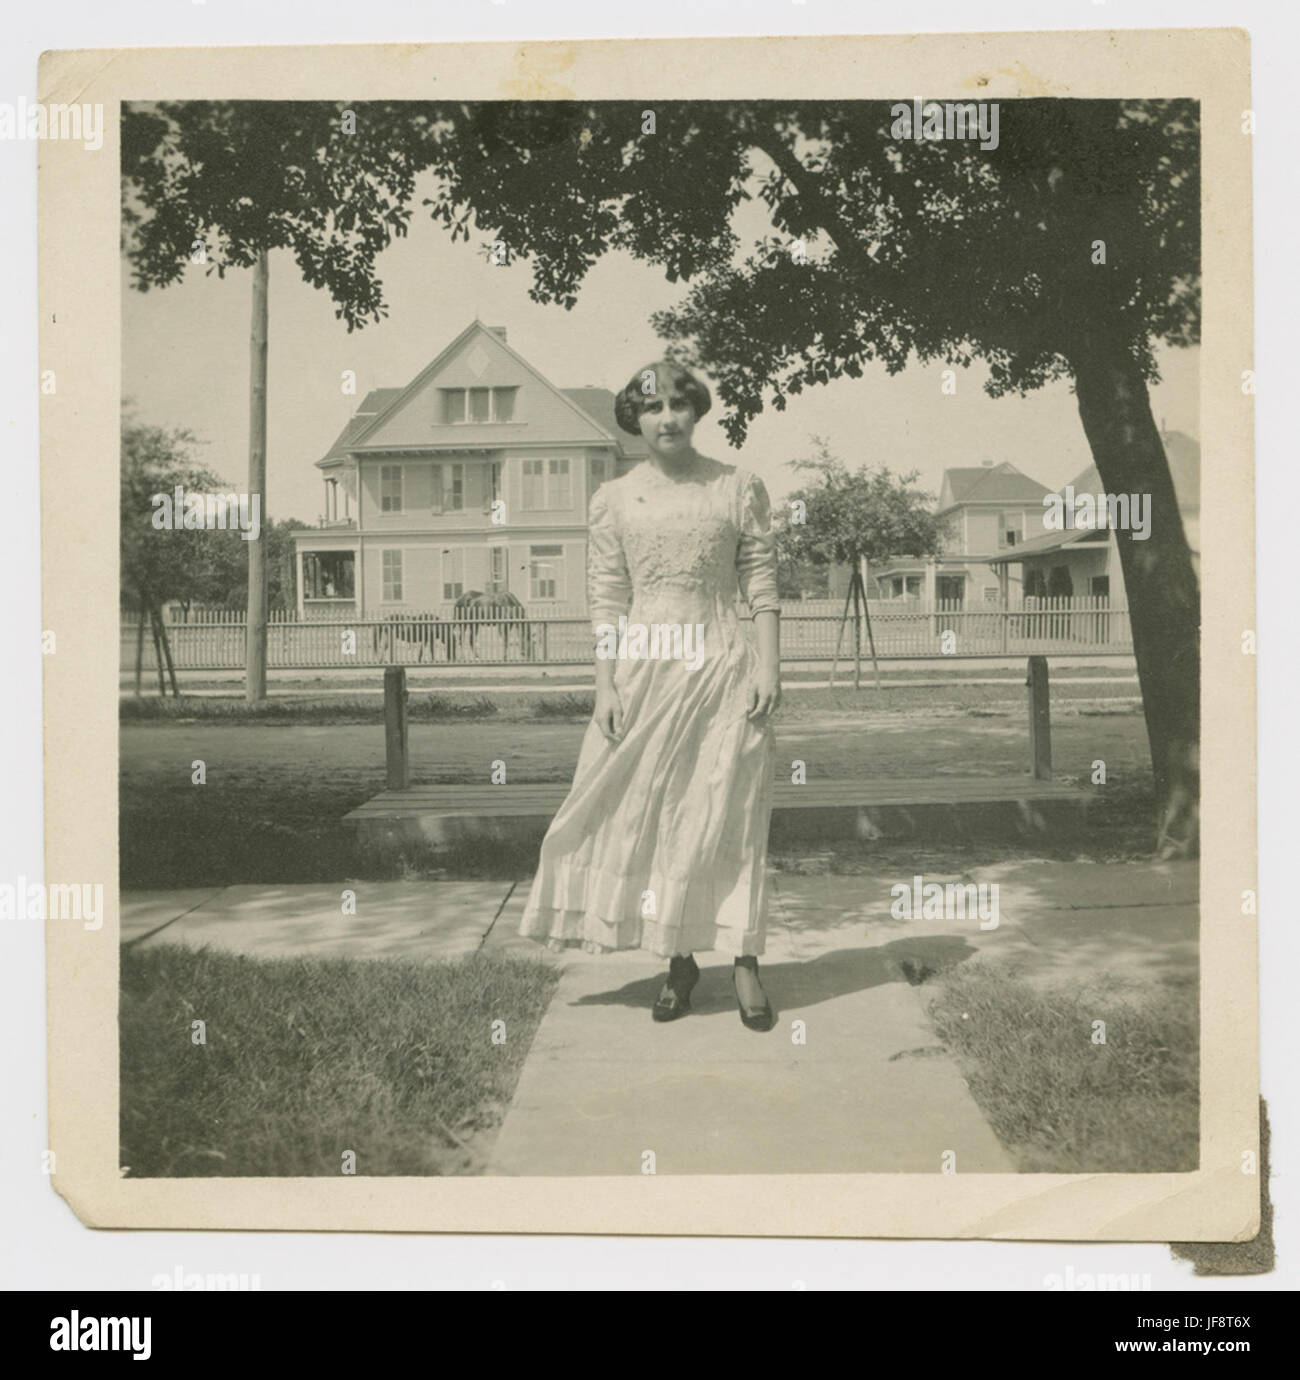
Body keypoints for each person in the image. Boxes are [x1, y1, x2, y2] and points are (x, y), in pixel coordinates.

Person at [517, 360, 781, 1031]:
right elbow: (607, 597)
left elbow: (762, 585)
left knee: (728, 809)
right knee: (655, 814)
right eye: (652, 407)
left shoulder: (736, 486)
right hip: (644, 672)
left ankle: (745, 957)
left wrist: (769, 669)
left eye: (678, 405)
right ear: (633, 420)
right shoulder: (615, 498)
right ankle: (679, 959)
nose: (667, 419)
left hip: (724, 665)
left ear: (697, 411)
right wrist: (604, 684)